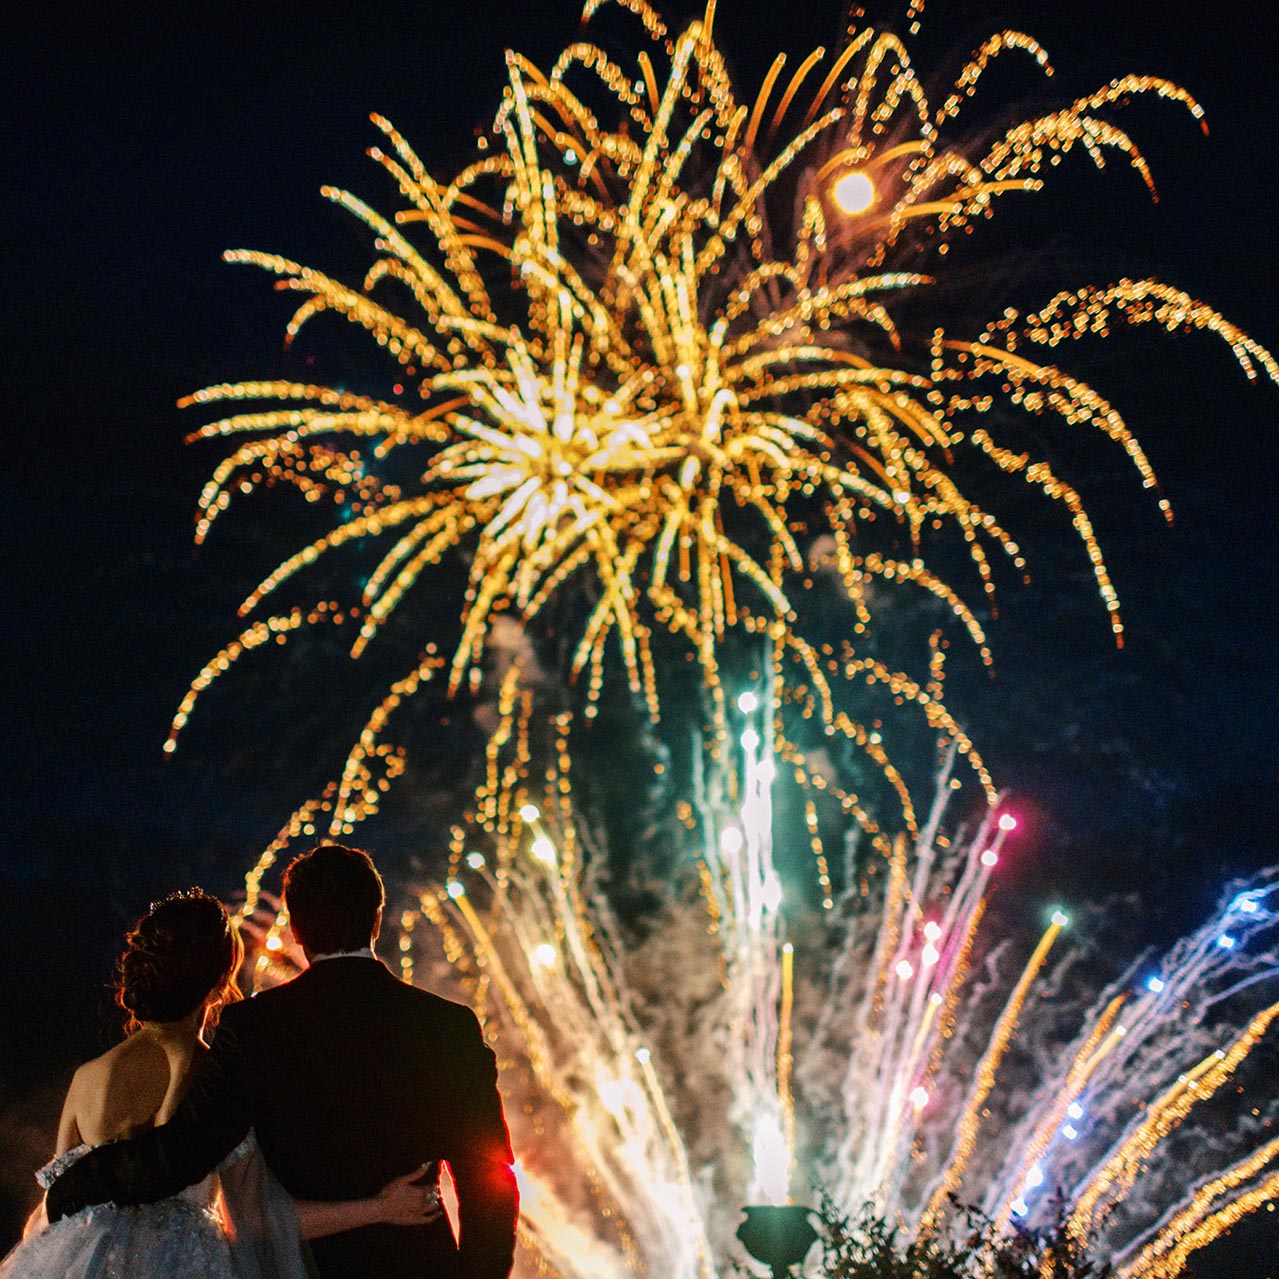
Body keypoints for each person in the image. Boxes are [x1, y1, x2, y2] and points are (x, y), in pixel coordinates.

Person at [47, 845, 520, 1279]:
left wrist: (80, 1181)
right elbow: (491, 1182)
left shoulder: (254, 1027)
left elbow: (182, 1151)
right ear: (376, 920)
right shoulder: (448, 1026)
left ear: (294, 928)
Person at [2, 889, 442, 1279]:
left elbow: (54, 1208)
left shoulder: (89, 1079)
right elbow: (259, 1224)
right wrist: (381, 1208)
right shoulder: (219, 1078)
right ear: (220, 979)